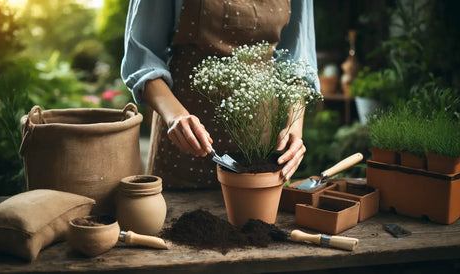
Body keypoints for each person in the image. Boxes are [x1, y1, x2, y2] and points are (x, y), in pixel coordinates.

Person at [121, 0, 320, 189]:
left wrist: (294, 127)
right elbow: (142, 56)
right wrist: (175, 116)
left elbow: (298, 64)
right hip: (184, 147)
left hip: (264, 151)